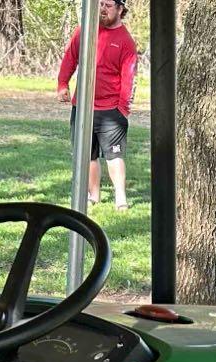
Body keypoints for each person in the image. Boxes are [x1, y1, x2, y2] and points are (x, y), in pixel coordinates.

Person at [57, 0, 139, 212]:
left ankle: (120, 198)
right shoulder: (85, 31)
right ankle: (93, 196)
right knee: (87, 155)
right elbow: (70, 58)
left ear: (120, 9)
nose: (102, 9)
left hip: (111, 110)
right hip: (82, 106)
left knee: (114, 155)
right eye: (100, 4)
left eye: (108, 5)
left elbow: (128, 77)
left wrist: (122, 109)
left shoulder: (125, 41)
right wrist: (62, 84)